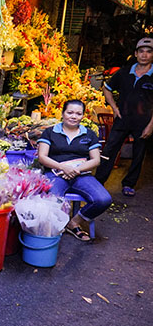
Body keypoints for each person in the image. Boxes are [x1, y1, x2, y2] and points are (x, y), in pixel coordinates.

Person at [37, 99, 112, 242]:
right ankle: (53, 228)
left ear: (83, 116)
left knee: (103, 199)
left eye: (78, 113)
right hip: (55, 174)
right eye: (70, 112)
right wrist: (63, 167)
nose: (73, 116)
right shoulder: (50, 132)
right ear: (63, 113)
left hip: (82, 175)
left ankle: (74, 222)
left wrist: (76, 170)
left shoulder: (89, 134)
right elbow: (42, 157)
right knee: (51, 201)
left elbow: (96, 160)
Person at [94, 37, 153, 197]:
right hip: (123, 119)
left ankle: (129, 184)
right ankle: (99, 181)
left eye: (149, 52)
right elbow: (107, 89)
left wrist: (151, 125)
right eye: (141, 51)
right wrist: (114, 108)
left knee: (138, 154)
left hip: (143, 121)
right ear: (136, 53)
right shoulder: (124, 72)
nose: (144, 55)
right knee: (109, 150)